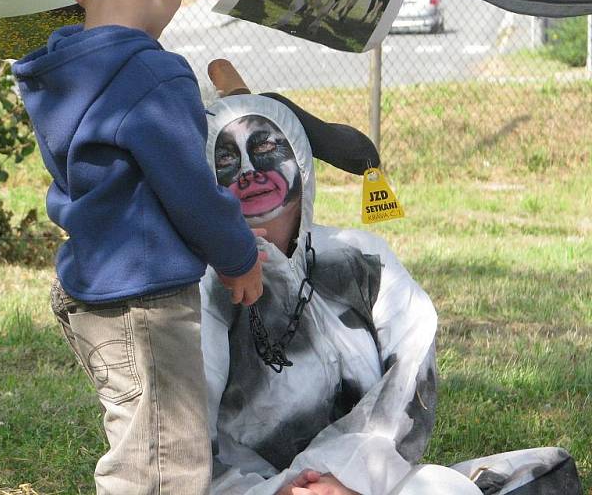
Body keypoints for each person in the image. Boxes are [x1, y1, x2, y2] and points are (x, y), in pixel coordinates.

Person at [199, 87, 583, 495]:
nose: (249, 171)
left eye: (266, 148)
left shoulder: (362, 258)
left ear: (301, 158)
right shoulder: (205, 287)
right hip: (259, 492)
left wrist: (347, 479)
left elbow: (410, 381)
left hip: (369, 481)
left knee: (539, 472)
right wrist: (279, 491)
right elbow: (187, 434)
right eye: (225, 159)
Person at [10, 0, 267, 493]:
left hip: (93, 291)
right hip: (146, 302)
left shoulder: (60, 72)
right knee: (163, 461)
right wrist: (238, 256)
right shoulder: (154, 75)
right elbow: (192, 192)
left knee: (137, 441)